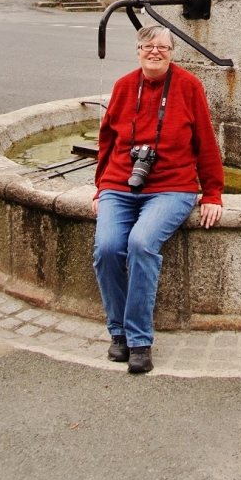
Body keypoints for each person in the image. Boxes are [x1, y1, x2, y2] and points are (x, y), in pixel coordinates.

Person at [92, 24, 224, 373]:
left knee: (141, 243)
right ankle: (117, 331)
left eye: (163, 47)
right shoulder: (123, 87)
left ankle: (138, 339)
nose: (155, 52)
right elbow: (106, 142)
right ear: (138, 51)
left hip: (172, 187)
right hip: (120, 186)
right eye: (148, 46)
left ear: (171, 53)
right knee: (106, 248)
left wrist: (212, 193)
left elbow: (206, 144)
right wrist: (100, 188)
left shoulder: (188, 87)